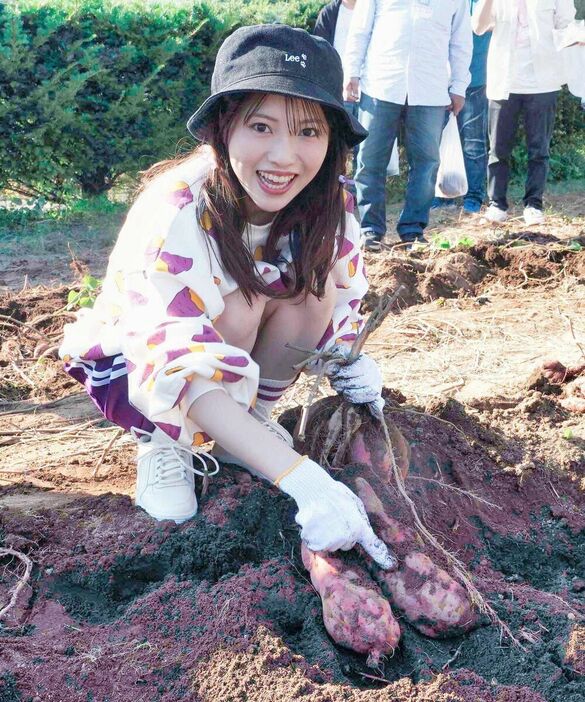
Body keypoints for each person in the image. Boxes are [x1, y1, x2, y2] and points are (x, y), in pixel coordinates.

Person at [59, 25, 393, 570]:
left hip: (232, 358)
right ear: (223, 128)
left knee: (315, 286)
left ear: (331, 140)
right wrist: (302, 477)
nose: (284, 157)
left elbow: (341, 297)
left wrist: (351, 362)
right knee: (236, 301)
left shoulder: (328, 206)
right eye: (261, 126)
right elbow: (172, 359)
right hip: (143, 368)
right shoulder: (180, 211)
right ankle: (166, 443)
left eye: (309, 132)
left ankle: (246, 430)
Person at [344, 0, 473, 251]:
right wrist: (351, 72)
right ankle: (370, 230)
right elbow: (360, 29)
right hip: (380, 84)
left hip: (430, 90)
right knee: (369, 161)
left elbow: (461, 42)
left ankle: (413, 230)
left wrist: (459, 86)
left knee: (426, 164)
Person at [473, 0, 580, 226]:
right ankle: (497, 204)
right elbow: (478, 27)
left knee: (539, 149)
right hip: (503, 79)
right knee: (498, 149)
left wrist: (577, 38)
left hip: (543, 80)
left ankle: (533, 204)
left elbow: (565, 26)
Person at [433, 0, 491, 215]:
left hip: (475, 79)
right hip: (439, 80)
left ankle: (474, 196)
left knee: (474, 143)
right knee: (435, 142)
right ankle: (440, 195)